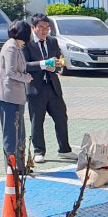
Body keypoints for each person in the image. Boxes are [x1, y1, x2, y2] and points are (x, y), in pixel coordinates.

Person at [23, 14, 71, 166]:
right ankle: (39, 151)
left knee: (61, 118)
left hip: (53, 86)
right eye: (41, 28)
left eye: (47, 28)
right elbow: (24, 65)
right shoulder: (26, 44)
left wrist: (58, 64)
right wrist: (43, 64)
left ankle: (64, 149)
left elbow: (57, 59)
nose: (45, 31)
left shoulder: (52, 41)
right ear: (33, 28)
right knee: (37, 121)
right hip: (35, 88)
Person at [0, 19, 33, 168]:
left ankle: (20, 166)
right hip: (8, 96)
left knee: (19, 134)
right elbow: (11, 72)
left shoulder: (16, 46)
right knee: (11, 134)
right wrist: (26, 78)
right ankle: (12, 168)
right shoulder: (11, 47)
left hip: (15, 96)